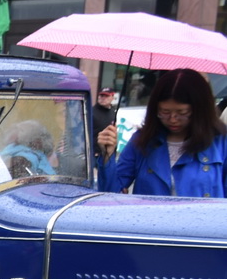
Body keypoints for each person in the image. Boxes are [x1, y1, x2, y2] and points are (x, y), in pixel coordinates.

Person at [97, 67, 227, 197]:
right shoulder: (143, 140)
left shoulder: (220, 143)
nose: (173, 119)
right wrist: (108, 155)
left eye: (182, 113)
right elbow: (110, 194)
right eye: (165, 112)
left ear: (199, 110)